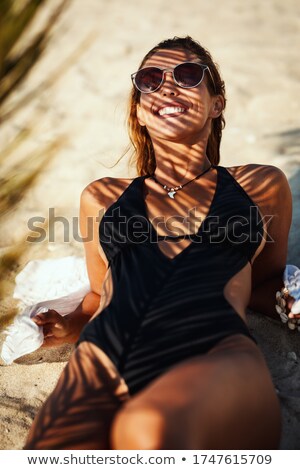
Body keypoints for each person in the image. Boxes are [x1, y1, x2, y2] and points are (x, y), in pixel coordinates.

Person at [25, 36, 295, 450]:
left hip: (214, 348)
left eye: (188, 76)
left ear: (216, 103)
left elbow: (266, 280)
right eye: (150, 80)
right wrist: (66, 324)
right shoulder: (101, 196)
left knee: (149, 428)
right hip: (101, 355)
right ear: (139, 111)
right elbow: (100, 293)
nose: (167, 86)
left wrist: (288, 300)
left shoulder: (258, 185)